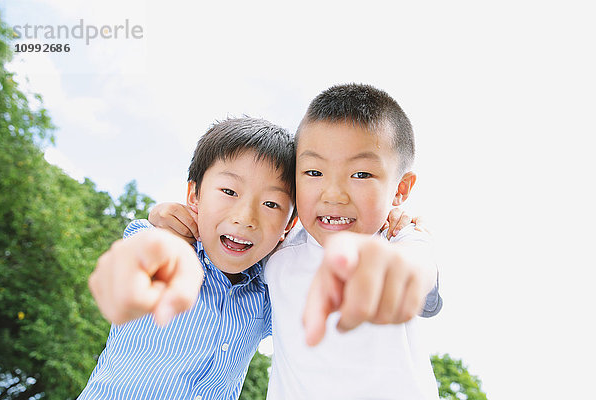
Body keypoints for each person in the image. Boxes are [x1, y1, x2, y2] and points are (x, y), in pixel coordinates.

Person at [144, 84, 442, 399]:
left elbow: (420, 274)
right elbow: (226, 242)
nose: (334, 194)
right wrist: (170, 216)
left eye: (361, 175)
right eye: (314, 172)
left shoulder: (398, 238)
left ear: (401, 189)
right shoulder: (278, 255)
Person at [79, 117, 298, 399]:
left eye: (271, 204)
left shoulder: (270, 294)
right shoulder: (164, 246)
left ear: (288, 226)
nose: (245, 218)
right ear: (194, 196)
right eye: (229, 192)